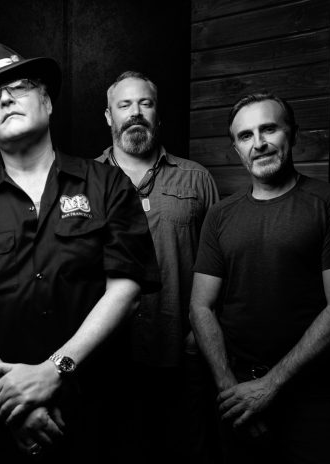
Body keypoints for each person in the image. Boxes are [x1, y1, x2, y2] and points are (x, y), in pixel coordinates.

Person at [0, 42, 160, 462]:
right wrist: (10, 397)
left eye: (19, 86)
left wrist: (56, 370)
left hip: (97, 411)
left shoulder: (108, 184)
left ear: (48, 102)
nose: (5, 99)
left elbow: (126, 288)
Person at [189, 92, 330, 464]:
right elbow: (200, 307)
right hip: (237, 395)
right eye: (245, 135)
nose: (259, 143)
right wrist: (229, 388)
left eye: (269, 129)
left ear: (293, 134)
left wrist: (269, 387)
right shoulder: (220, 215)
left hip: (314, 397)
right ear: (236, 149)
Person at [96, 70, 220, 463]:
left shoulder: (197, 179)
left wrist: (200, 336)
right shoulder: (83, 181)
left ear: (157, 113)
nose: (135, 112)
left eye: (145, 103)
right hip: (108, 354)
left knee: (185, 450)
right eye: (124, 105)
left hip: (181, 351)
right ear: (109, 116)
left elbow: (220, 262)